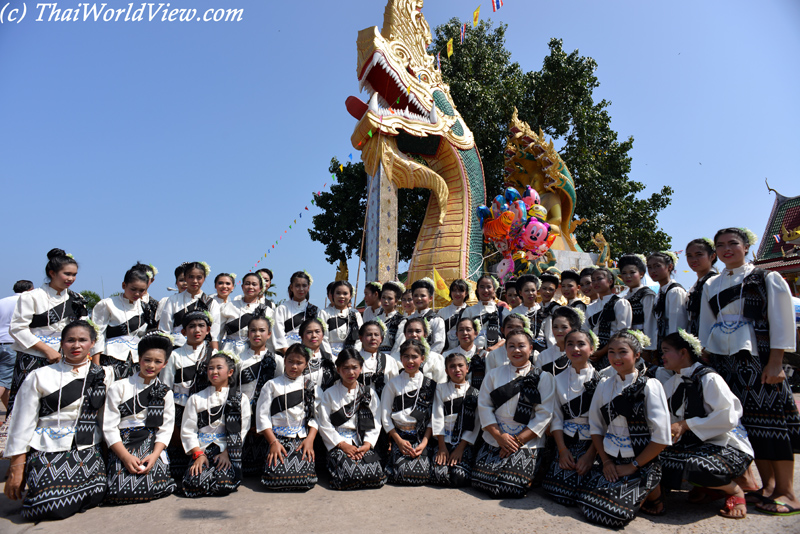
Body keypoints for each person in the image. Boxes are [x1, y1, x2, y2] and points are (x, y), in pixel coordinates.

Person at [699, 227, 800, 515]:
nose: (726, 249)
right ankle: (767, 488)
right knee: (750, 426)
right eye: (720, 245)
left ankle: (788, 492)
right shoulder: (712, 284)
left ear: (746, 247)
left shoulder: (767, 277)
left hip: (760, 359)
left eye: (733, 243)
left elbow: (781, 320)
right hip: (726, 362)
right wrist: (707, 354)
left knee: (773, 426)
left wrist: (776, 362)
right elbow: (708, 324)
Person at [3, 320, 108, 521]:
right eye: (70, 340)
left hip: (87, 447)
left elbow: (107, 419)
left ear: (92, 343)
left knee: (97, 494)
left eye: (82, 340)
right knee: (48, 505)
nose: (76, 345)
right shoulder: (40, 376)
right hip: (47, 445)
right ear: (61, 343)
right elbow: (21, 422)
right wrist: (17, 466)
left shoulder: (103, 375)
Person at [654, 330, 754, 519]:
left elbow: (729, 417)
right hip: (694, 444)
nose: (662, 356)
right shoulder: (672, 382)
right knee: (654, 461)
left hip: (725, 444)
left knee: (697, 466)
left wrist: (686, 424)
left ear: (683, 352)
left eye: (666, 350)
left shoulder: (709, 378)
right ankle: (711, 488)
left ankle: (734, 490)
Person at [576, 331, 671, 528]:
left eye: (622, 352)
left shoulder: (650, 386)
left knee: (614, 515)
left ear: (637, 355)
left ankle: (656, 496)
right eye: (611, 352)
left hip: (641, 460)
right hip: (610, 457)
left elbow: (661, 438)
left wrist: (633, 465)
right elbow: (596, 426)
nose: (616, 358)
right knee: (586, 505)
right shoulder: (604, 384)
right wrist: (606, 461)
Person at [473, 328, 555, 498]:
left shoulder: (543, 377)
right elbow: (484, 406)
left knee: (511, 487)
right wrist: (499, 437)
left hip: (526, 440)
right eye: (511, 346)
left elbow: (543, 415)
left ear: (531, 348)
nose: (516, 350)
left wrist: (516, 441)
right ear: (506, 349)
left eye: (521, 346)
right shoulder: (494, 375)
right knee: (481, 481)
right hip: (496, 436)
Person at [8, 249, 88, 415]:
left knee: (58, 405)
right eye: (67, 274)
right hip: (32, 356)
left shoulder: (77, 299)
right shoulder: (31, 297)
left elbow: (83, 328)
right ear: (52, 273)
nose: (71, 279)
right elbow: (17, 328)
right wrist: (46, 350)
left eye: (74, 275)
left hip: (65, 358)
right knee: (26, 406)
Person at [103, 331, 176, 504]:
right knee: (119, 489)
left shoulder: (165, 392)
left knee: (155, 485)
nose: (151, 365)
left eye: (158, 361)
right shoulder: (119, 387)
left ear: (165, 364)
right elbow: (109, 426)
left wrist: (155, 455)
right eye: (147, 359)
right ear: (139, 359)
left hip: (151, 444)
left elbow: (166, 428)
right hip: (124, 444)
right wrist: (125, 457)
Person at [543, 329, 600, 506]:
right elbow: (557, 418)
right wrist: (562, 450)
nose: (575, 348)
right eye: (570, 344)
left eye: (581, 344)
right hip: (566, 441)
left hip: (594, 443)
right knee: (558, 491)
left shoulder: (602, 380)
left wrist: (591, 455)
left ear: (591, 349)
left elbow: (603, 424)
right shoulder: (557, 379)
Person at [180, 351, 250, 497]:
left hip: (227, 449)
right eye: (211, 368)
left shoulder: (240, 399)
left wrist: (227, 453)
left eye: (219, 367)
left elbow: (243, 430)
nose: (214, 372)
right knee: (194, 484)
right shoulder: (196, 399)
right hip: (202, 449)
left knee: (223, 485)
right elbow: (188, 430)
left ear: (230, 372)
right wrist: (198, 454)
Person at [317, 348, 386, 490]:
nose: (350, 372)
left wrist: (367, 445)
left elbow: (376, 421)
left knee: (375, 474)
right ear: (338, 369)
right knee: (347, 474)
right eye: (345, 368)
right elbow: (324, 424)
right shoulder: (329, 394)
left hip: (362, 441)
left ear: (361, 368)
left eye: (354, 367)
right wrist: (343, 445)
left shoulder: (369, 393)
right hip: (338, 442)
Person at [159, 310, 214, 481]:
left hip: (206, 408)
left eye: (201, 326)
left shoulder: (213, 354)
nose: (196, 330)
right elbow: (165, 387)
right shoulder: (174, 355)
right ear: (183, 332)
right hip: (179, 408)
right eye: (191, 326)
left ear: (208, 330)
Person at [257, 343, 320, 491]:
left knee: (305, 479)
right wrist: (273, 442)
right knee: (275, 478)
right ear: (284, 361)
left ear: (306, 364)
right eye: (291, 361)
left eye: (299, 363)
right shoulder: (271, 385)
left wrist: (310, 440)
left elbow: (316, 417)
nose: (294, 366)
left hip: (301, 438)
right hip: (277, 437)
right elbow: (262, 416)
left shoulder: (311, 386)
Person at [380, 339, 437, 485]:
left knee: (422, 473)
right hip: (400, 437)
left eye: (414, 357)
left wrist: (424, 443)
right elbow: (385, 416)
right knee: (402, 473)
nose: (410, 361)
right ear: (401, 358)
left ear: (422, 359)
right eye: (406, 356)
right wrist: (398, 441)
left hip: (421, 438)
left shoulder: (430, 385)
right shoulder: (392, 384)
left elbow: (433, 418)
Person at [235, 314, 284, 476]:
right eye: (253, 330)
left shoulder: (276, 360)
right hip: (242, 411)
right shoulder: (238, 360)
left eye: (262, 330)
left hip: (266, 412)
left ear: (269, 334)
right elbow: (233, 387)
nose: (257, 334)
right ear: (247, 333)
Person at [430, 351, 480, 487]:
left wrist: (460, 448)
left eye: (460, 365)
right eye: (452, 366)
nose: (457, 370)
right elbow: (437, 416)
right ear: (446, 371)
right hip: (443, 441)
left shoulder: (475, 393)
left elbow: (474, 424)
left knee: (459, 477)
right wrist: (441, 447)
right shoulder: (440, 389)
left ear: (467, 368)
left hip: (463, 443)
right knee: (438, 475)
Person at [91, 266, 150, 380]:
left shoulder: (145, 308)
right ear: (124, 285)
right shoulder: (107, 304)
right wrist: (96, 364)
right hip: (112, 357)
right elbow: (97, 334)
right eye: (133, 289)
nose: (137, 294)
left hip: (137, 359)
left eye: (141, 290)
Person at [158, 262, 220, 350]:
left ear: (204, 278)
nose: (195, 281)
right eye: (191, 277)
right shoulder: (173, 300)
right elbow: (165, 330)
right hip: (175, 348)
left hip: (201, 350)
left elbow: (213, 335)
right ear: (185, 278)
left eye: (199, 277)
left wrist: (214, 354)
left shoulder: (211, 303)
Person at [583, 267, 632, 370]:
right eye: (593, 280)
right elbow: (585, 331)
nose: (595, 282)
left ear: (610, 281)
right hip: (593, 352)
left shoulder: (620, 303)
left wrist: (603, 351)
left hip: (614, 352)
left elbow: (622, 333)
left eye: (599, 279)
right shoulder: (590, 307)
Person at [647, 252, 688, 365]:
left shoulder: (675, 292)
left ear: (669, 267)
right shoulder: (659, 293)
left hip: (673, 349)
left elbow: (677, 326)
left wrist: (673, 350)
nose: (652, 271)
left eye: (657, 266)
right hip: (663, 347)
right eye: (649, 267)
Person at [0, 280, 33, 412]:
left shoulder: (2, 301)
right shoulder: (26, 302)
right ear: (30, 290)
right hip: (12, 344)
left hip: (1, 342)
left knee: (7, 383)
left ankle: (12, 415)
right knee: (4, 380)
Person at [220, 272, 273, 353]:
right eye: (247, 284)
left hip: (253, 352)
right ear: (242, 287)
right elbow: (218, 333)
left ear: (260, 288)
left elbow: (269, 339)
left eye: (254, 284)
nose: (250, 287)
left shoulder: (267, 311)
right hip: (229, 350)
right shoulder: (228, 307)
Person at [391, 279, 446, 355]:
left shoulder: (436, 320)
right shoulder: (408, 320)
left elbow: (439, 343)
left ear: (430, 298)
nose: (419, 298)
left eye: (422, 296)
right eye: (416, 295)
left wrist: (425, 359)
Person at [618, 254, 657, 357]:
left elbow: (650, 322)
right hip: (627, 344)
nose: (628, 276)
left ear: (641, 274)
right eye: (624, 273)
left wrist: (648, 347)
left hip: (642, 345)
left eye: (632, 272)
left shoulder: (646, 294)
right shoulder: (624, 297)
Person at [272, 271, 320, 354]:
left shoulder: (314, 310)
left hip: (308, 353)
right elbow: (278, 333)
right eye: (297, 286)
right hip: (286, 354)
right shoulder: (282, 309)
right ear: (291, 287)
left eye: (304, 286)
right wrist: (288, 354)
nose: (301, 289)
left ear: (308, 288)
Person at [684, 238, 719, 338]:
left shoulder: (715, 282)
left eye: (699, 255)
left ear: (712, 256)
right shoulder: (695, 286)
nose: (693, 259)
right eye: (689, 256)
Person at [536, 306, 583, 376]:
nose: (559, 331)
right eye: (555, 327)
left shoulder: (579, 354)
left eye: (564, 327)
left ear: (573, 329)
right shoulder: (543, 356)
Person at [358, 321, 400, 398]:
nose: (373, 338)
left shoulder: (389, 360)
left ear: (381, 339)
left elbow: (395, 386)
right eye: (369, 335)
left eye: (376, 335)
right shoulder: (354, 359)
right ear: (361, 338)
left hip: (384, 403)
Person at [464, 275, 506, 353]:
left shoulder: (501, 310)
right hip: (474, 353)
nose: (485, 290)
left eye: (489, 287)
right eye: (482, 287)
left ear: (494, 290)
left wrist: (495, 347)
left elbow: (510, 334)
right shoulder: (469, 311)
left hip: (497, 352)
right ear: (477, 290)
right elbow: (463, 333)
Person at [319, 280, 363, 356]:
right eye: (338, 293)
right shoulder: (324, 313)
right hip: (329, 357)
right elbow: (322, 338)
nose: (341, 296)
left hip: (351, 356)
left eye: (345, 293)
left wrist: (353, 356)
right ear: (332, 295)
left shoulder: (355, 314)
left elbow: (359, 339)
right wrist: (330, 358)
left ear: (350, 296)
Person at [397, 317, 446, 383]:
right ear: (405, 334)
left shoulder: (436, 359)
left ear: (425, 334)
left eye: (418, 331)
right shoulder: (396, 357)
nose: (414, 334)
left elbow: (441, 385)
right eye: (410, 331)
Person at [299, 317, 337, 391]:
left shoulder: (330, 359)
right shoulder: (295, 359)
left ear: (322, 335)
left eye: (317, 331)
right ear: (302, 336)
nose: (314, 335)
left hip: (326, 400)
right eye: (309, 332)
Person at [438, 279, 470, 352]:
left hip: (465, 351)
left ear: (466, 293)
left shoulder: (471, 311)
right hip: (446, 351)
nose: (457, 293)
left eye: (461, 291)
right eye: (454, 290)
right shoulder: (442, 312)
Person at [535, 272, 561, 351]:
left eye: (551, 289)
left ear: (555, 291)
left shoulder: (556, 309)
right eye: (544, 288)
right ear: (539, 289)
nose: (547, 292)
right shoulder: (536, 307)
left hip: (552, 348)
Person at [376, 281, 405, 353]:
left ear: (396, 301)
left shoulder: (401, 321)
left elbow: (399, 345)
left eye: (390, 298)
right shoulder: (375, 320)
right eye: (383, 297)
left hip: (393, 357)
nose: (386, 301)